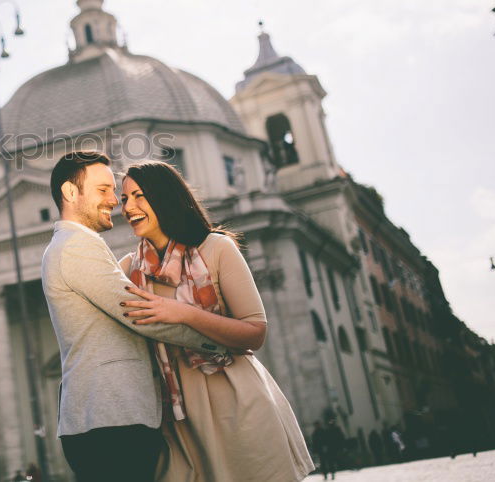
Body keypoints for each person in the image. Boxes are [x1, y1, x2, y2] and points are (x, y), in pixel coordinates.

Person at [118, 160, 315, 482]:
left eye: (139, 195)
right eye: (124, 198)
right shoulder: (128, 269)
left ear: (164, 196)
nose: (128, 207)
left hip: (236, 402)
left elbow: (255, 332)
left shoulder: (217, 247)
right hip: (177, 418)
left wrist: (184, 314)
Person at [42, 151, 226, 482]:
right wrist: (219, 338)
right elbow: (140, 313)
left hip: (107, 418)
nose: (115, 201)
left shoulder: (76, 245)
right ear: (70, 193)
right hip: (110, 418)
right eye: (103, 190)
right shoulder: (75, 246)